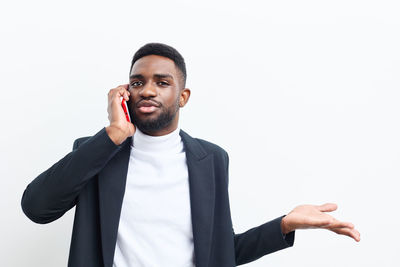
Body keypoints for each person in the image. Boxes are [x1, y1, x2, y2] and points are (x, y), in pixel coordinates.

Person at [21, 43, 360, 267]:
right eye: (137, 82)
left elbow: (220, 251)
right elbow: (37, 207)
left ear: (182, 96)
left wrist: (284, 224)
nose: (148, 89)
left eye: (161, 81)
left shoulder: (210, 160)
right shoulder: (97, 151)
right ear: (124, 92)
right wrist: (113, 134)